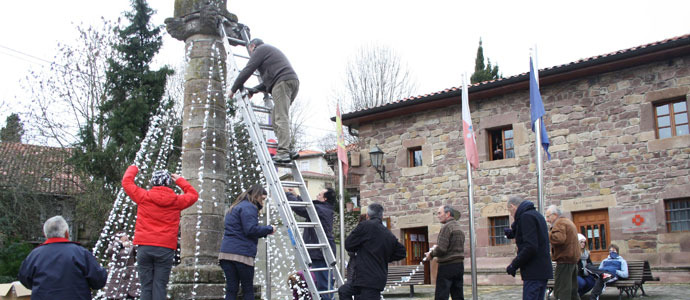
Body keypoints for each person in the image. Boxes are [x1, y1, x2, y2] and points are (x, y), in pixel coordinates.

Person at [121, 166, 199, 300]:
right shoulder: (176, 201)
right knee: (160, 286)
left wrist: (134, 168)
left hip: (144, 246)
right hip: (165, 248)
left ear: (152, 182)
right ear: (169, 183)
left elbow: (126, 182)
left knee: (146, 286)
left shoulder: (143, 196)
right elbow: (193, 195)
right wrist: (180, 180)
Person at [230, 38, 299, 163]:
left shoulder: (260, 49)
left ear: (252, 46)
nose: (250, 54)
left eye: (250, 50)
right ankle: (289, 149)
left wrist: (233, 89)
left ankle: (283, 152)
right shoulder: (269, 52)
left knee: (280, 118)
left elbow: (248, 70)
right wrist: (253, 90)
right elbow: (268, 83)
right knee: (276, 118)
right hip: (290, 82)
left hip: (282, 83)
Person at [18, 216, 108, 300]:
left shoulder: (34, 255)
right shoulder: (81, 253)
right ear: (66, 233)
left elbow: (24, 278)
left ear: (45, 235)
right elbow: (99, 280)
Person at [339, 203, 406, 300]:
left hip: (367, 279)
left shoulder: (364, 226)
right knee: (344, 291)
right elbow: (402, 252)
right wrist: (385, 257)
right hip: (370, 279)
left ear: (367, 215)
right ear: (381, 216)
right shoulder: (388, 233)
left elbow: (349, 244)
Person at [219, 185, 275, 300]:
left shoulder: (234, 207)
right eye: (262, 199)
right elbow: (250, 230)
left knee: (231, 289)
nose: (263, 203)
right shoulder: (249, 207)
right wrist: (269, 229)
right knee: (248, 289)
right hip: (242, 255)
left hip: (226, 253)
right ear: (257, 196)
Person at [286, 187, 337, 300]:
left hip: (320, 253)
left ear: (324, 199)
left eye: (319, 195)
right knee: (319, 284)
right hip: (318, 252)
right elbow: (308, 207)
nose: (317, 196)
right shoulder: (323, 208)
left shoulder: (321, 209)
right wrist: (296, 196)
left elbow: (302, 209)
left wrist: (287, 195)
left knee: (323, 286)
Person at [504, 196, 553, 300]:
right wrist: (514, 233)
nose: (511, 214)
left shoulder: (526, 217)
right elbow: (534, 236)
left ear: (512, 206)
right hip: (541, 270)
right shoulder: (536, 215)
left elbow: (530, 246)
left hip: (534, 271)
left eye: (510, 211)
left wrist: (514, 264)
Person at [425, 205, 465, 300]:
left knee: (441, 296)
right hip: (459, 266)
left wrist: (431, 254)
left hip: (447, 266)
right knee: (458, 295)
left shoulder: (446, 227)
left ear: (447, 214)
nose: (438, 216)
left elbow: (442, 249)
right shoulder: (459, 227)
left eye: (439, 213)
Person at [545, 205, 580, 300]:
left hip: (565, 261)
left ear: (555, 215)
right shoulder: (567, 221)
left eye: (548, 217)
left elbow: (558, 239)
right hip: (571, 260)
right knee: (572, 291)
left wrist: (546, 233)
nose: (547, 220)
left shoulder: (560, 223)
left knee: (562, 291)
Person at [104, 232, 140, 300]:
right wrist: (121, 245)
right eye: (124, 237)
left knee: (130, 296)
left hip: (130, 277)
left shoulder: (131, 246)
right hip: (116, 277)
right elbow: (109, 252)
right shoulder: (114, 246)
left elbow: (138, 251)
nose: (126, 239)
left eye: (127, 238)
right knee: (115, 296)